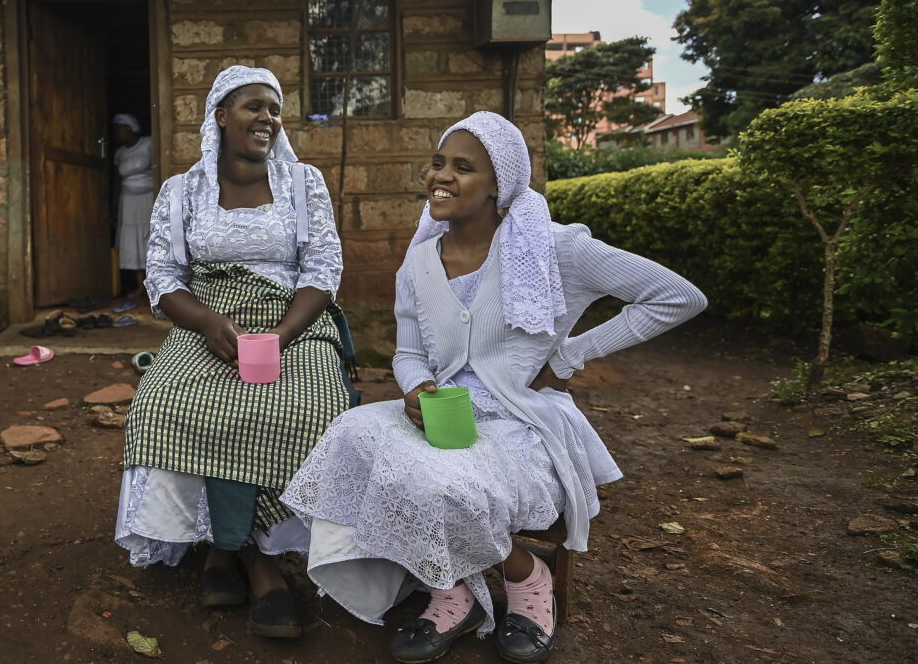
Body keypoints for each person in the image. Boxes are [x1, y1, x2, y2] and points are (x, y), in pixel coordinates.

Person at [281, 111, 707, 663]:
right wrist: (418, 387)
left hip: (518, 421)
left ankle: (528, 580)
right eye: (438, 163)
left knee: (440, 481)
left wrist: (573, 353)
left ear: (499, 185)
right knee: (350, 433)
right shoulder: (417, 262)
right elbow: (409, 352)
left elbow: (677, 296)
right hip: (445, 411)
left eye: (464, 167)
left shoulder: (553, 251)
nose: (442, 176)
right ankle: (453, 592)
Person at [116, 65, 352, 639]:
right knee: (165, 403)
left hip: (292, 320)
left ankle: (240, 552)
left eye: (275, 109)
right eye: (253, 106)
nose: (267, 118)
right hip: (208, 323)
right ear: (220, 116)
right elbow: (165, 277)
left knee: (308, 410)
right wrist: (205, 321)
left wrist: (280, 336)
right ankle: (244, 554)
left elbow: (323, 270)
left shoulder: (303, 183)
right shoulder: (181, 190)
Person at [111, 113, 154, 300]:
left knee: (148, 237)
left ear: (130, 128)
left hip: (147, 198)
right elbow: (115, 181)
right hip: (128, 200)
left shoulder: (148, 144)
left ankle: (154, 284)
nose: (116, 132)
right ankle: (140, 284)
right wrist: (113, 207)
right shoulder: (119, 154)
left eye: (119, 128)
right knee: (132, 240)